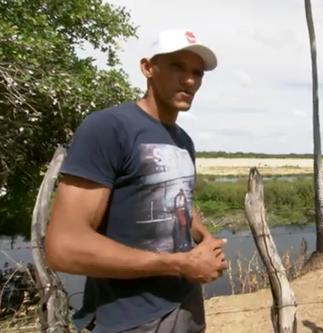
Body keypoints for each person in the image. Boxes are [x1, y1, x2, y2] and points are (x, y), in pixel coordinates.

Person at [45, 29, 227, 333]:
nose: (190, 80)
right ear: (147, 68)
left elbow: (176, 199)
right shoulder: (108, 127)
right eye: (177, 67)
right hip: (131, 318)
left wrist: (205, 238)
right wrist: (181, 264)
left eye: (197, 72)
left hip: (185, 302)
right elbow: (64, 247)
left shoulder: (183, 141)